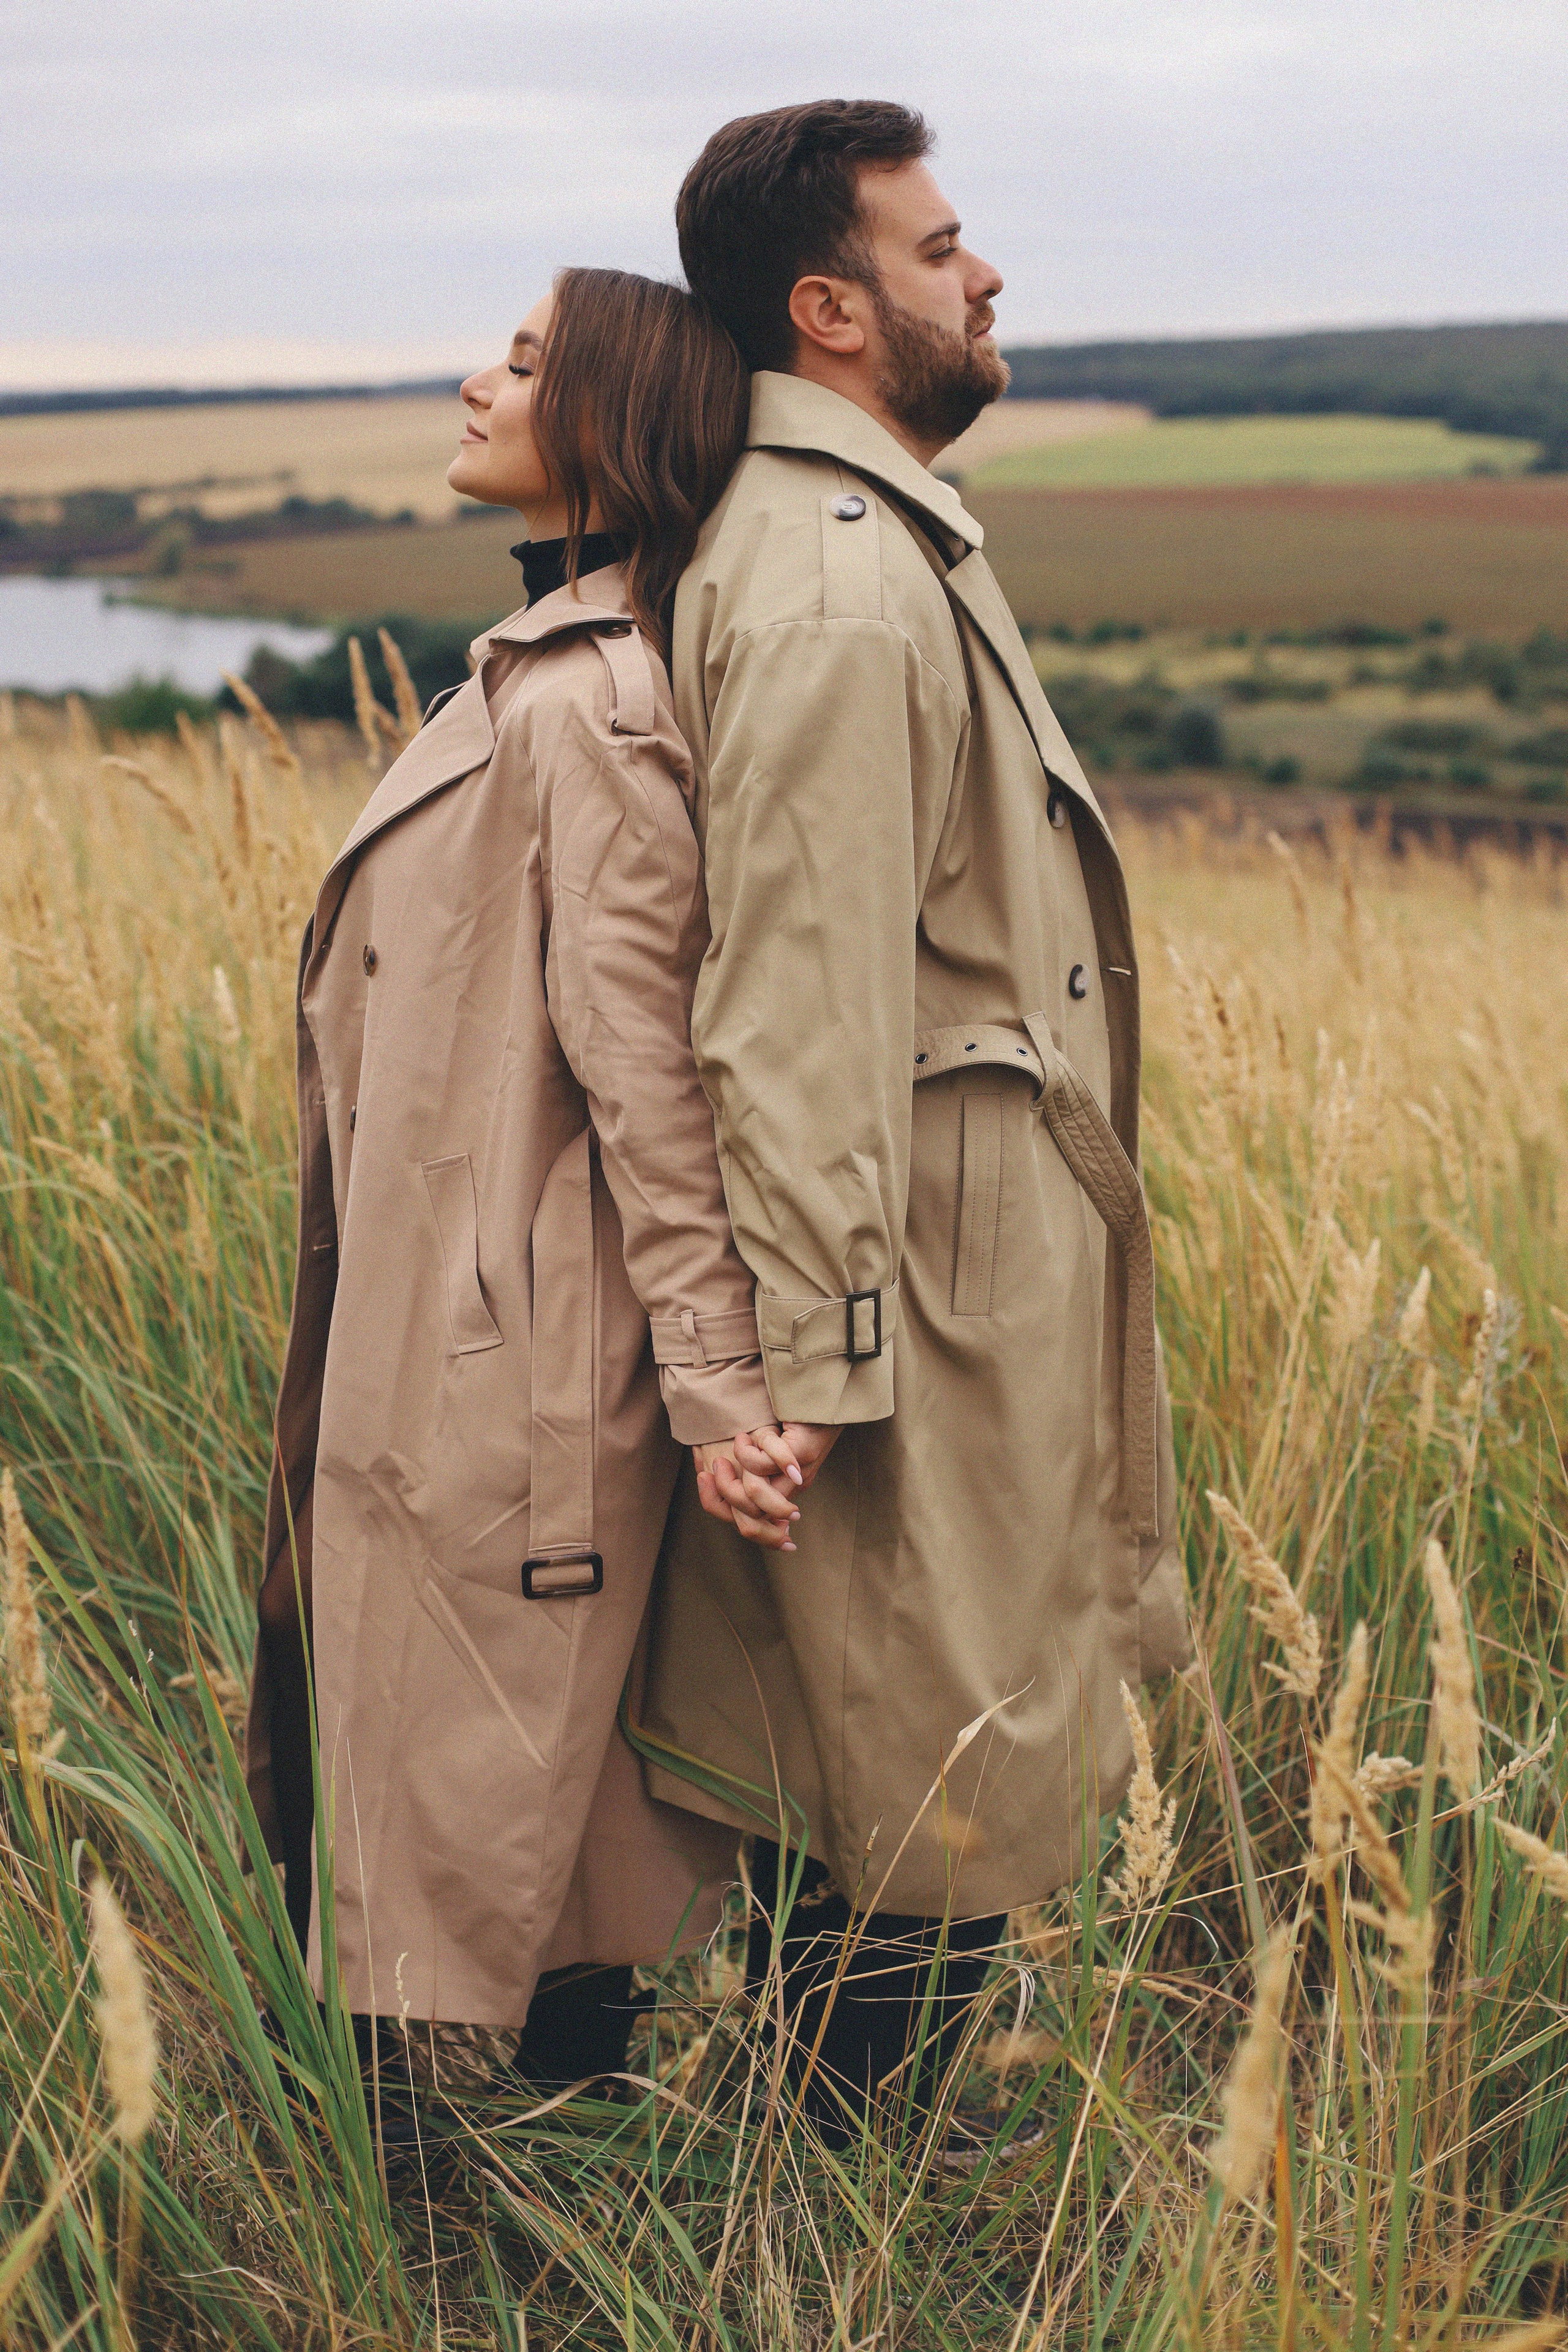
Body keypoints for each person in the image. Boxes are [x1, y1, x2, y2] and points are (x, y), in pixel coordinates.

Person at [629, 102, 1193, 2145]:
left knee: (913, 1778)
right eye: (945, 246)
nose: (989, 273)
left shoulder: (870, 545)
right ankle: (822, 2207)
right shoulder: (836, 582)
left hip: (953, 1274)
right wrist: (810, 1363)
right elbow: (789, 1003)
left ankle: (829, 2179)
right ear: (832, 307)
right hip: (908, 1313)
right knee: (913, 1788)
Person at [244, 267, 805, 2103]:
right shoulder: (547, 671)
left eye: (528, 357)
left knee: (493, 1828)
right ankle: (505, 2215)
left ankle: (444, 2231)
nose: (476, 378)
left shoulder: (593, 700)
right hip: (464, 1332)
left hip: (512, 1365)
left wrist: (722, 1392)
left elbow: (647, 1067)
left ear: (611, 422)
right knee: (506, 1826)